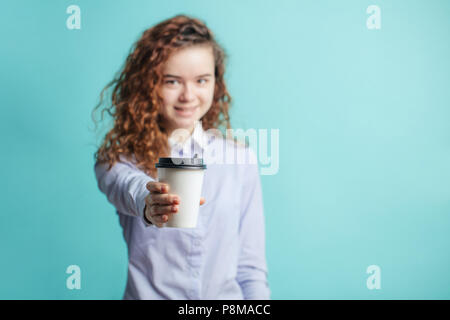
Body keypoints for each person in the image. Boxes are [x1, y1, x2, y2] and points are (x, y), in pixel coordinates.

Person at [92, 14, 270, 300]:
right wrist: (149, 202)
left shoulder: (239, 159)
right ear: (149, 85)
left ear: (216, 83)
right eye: (172, 81)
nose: (188, 95)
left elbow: (250, 269)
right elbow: (126, 186)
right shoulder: (119, 159)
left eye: (201, 80)